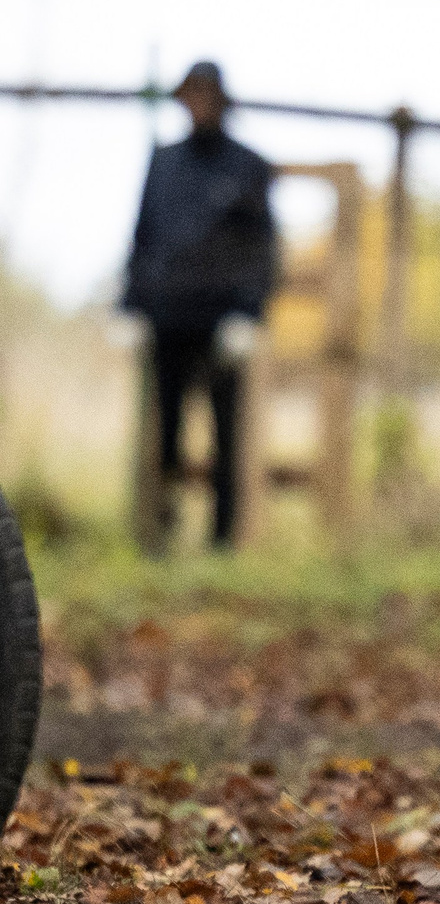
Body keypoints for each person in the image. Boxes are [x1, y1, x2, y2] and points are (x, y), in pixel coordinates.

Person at [123, 61, 278, 549]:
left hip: (221, 319)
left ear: (222, 102)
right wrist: (130, 303)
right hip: (167, 315)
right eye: (192, 95)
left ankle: (222, 539)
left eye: (207, 95)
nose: (199, 104)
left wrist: (249, 312)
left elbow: (263, 247)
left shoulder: (248, 166)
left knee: (225, 433)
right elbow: (143, 233)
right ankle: (162, 533)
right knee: (165, 432)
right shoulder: (163, 162)